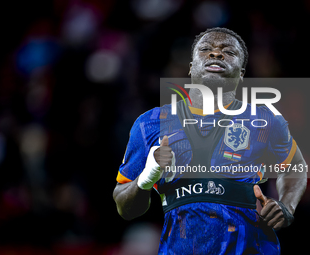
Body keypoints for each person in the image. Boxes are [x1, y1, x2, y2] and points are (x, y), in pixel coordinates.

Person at [112, 27, 307, 254]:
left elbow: (296, 168)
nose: (216, 54)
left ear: (242, 73)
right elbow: (125, 208)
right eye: (206, 49)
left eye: (229, 52)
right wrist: (146, 178)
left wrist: (287, 205)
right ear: (191, 67)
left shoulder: (265, 119)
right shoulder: (150, 123)